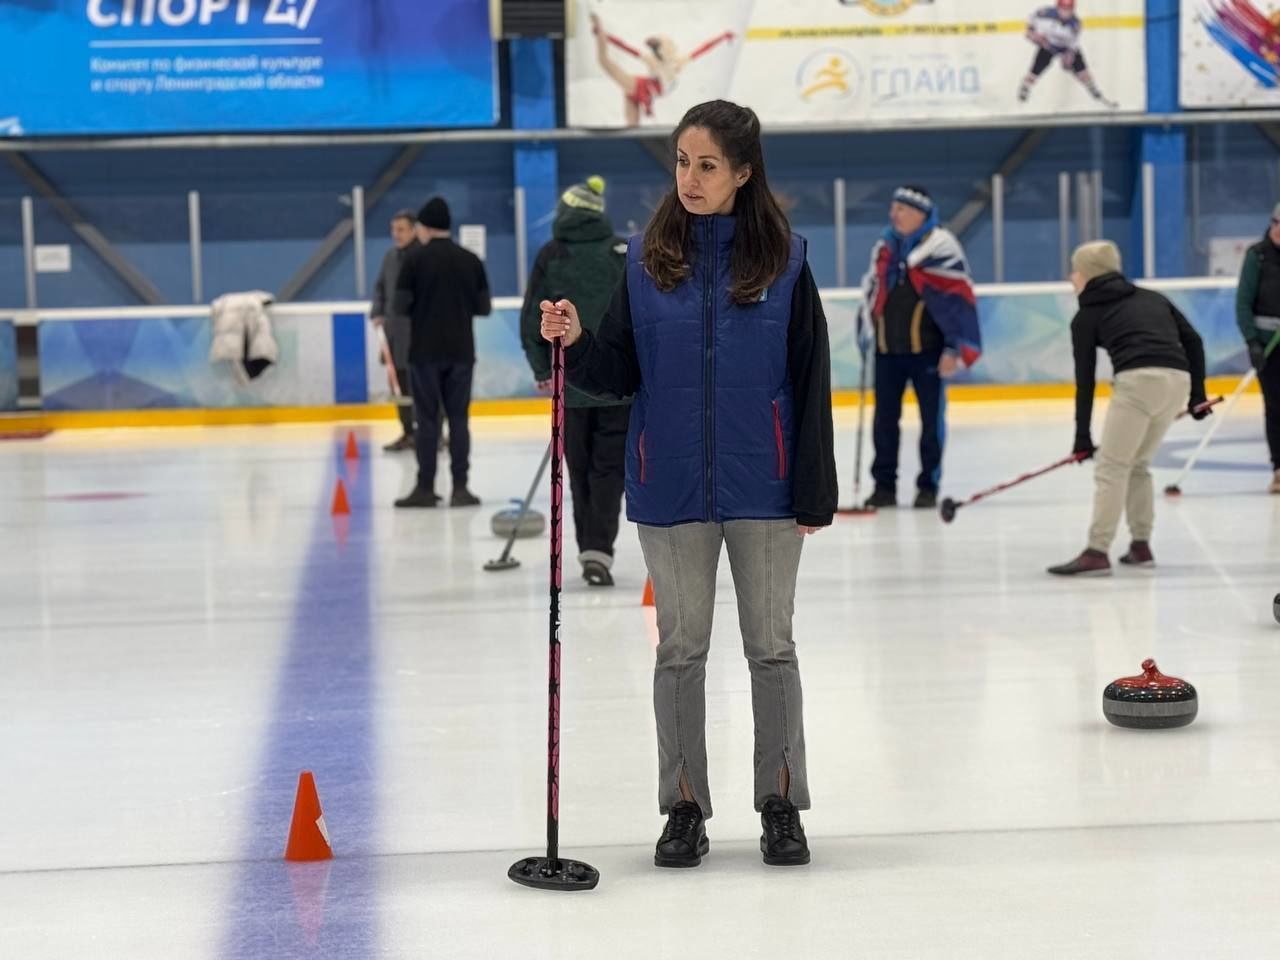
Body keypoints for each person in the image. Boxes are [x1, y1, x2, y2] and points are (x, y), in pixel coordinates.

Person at [540, 100, 837, 869]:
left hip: (765, 486)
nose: (692, 178)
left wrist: (813, 489)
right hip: (668, 486)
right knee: (680, 651)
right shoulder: (643, 261)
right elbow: (614, 370)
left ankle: (779, 801)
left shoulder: (787, 261)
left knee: (771, 648)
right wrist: (574, 337)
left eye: (708, 165)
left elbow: (810, 381)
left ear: (743, 172)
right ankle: (683, 806)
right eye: (681, 162)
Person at [1048, 241, 1209, 577]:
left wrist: (1081, 436)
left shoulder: (1087, 315)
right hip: (1176, 381)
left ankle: (1096, 550)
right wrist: (1196, 395)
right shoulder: (1152, 297)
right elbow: (1193, 340)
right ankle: (1140, 545)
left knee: (1112, 467)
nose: (1070, 277)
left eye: (1074, 270)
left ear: (1088, 273)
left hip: (1138, 383)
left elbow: (1085, 381)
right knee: (1138, 465)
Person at [520, 177, 631, 587]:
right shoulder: (620, 251)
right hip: (619, 385)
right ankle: (598, 549)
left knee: (580, 470)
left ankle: (591, 547)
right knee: (608, 471)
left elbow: (533, 316)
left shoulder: (553, 253)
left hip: (572, 385)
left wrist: (540, 368)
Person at [858, 186, 981, 509]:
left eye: (901, 209)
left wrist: (953, 348)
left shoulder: (942, 248)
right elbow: (872, 291)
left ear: (920, 214)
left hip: (928, 352)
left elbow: (957, 302)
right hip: (887, 352)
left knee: (930, 422)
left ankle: (928, 485)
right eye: (893, 207)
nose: (893, 214)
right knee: (884, 422)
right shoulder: (885, 248)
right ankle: (883, 486)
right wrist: (865, 330)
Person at [393, 197, 491, 509]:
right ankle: (461, 488)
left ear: (423, 227)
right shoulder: (470, 260)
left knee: (427, 420)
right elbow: (483, 307)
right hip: (462, 351)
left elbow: (399, 306)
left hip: (424, 353)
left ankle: (425, 488)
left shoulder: (413, 260)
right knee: (459, 419)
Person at [590, 12, 735, 127]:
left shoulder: (677, 62)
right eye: (667, 45)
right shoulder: (653, 61)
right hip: (639, 87)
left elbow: (704, 48)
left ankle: (600, 32)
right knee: (605, 63)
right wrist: (605, 36)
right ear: (660, 50)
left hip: (646, 92)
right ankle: (600, 29)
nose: (673, 47)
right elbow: (626, 48)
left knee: (632, 130)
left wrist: (722, 37)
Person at [1235, 201, 1280, 493]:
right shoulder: (1258, 256)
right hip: (1269, 347)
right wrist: (1252, 341)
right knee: (1276, 407)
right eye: (1276, 224)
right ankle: (1279, 468)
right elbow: (1243, 303)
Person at [369, 210, 418, 452]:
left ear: (413, 230)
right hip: (394, 335)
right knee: (398, 386)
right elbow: (380, 288)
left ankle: (433, 433)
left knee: (424, 386)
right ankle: (408, 432)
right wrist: (377, 311)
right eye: (393, 229)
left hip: (419, 336)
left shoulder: (423, 256)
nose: (395, 234)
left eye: (400, 229)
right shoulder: (390, 257)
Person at [1018, 0, 1118, 108]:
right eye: (1063, 10)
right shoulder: (1044, 13)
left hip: (1066, 48)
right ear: (1057, 8)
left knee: (1082, 72)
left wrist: (1068, 59)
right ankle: (1025, 86)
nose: (1065, 13)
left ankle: (1092, 88)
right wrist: (1031, 32)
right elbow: (1031, 19)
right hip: (1048, 45)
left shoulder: (1075, 24)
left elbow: (1073, 46)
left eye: (1069, 10)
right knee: (1035, 69)